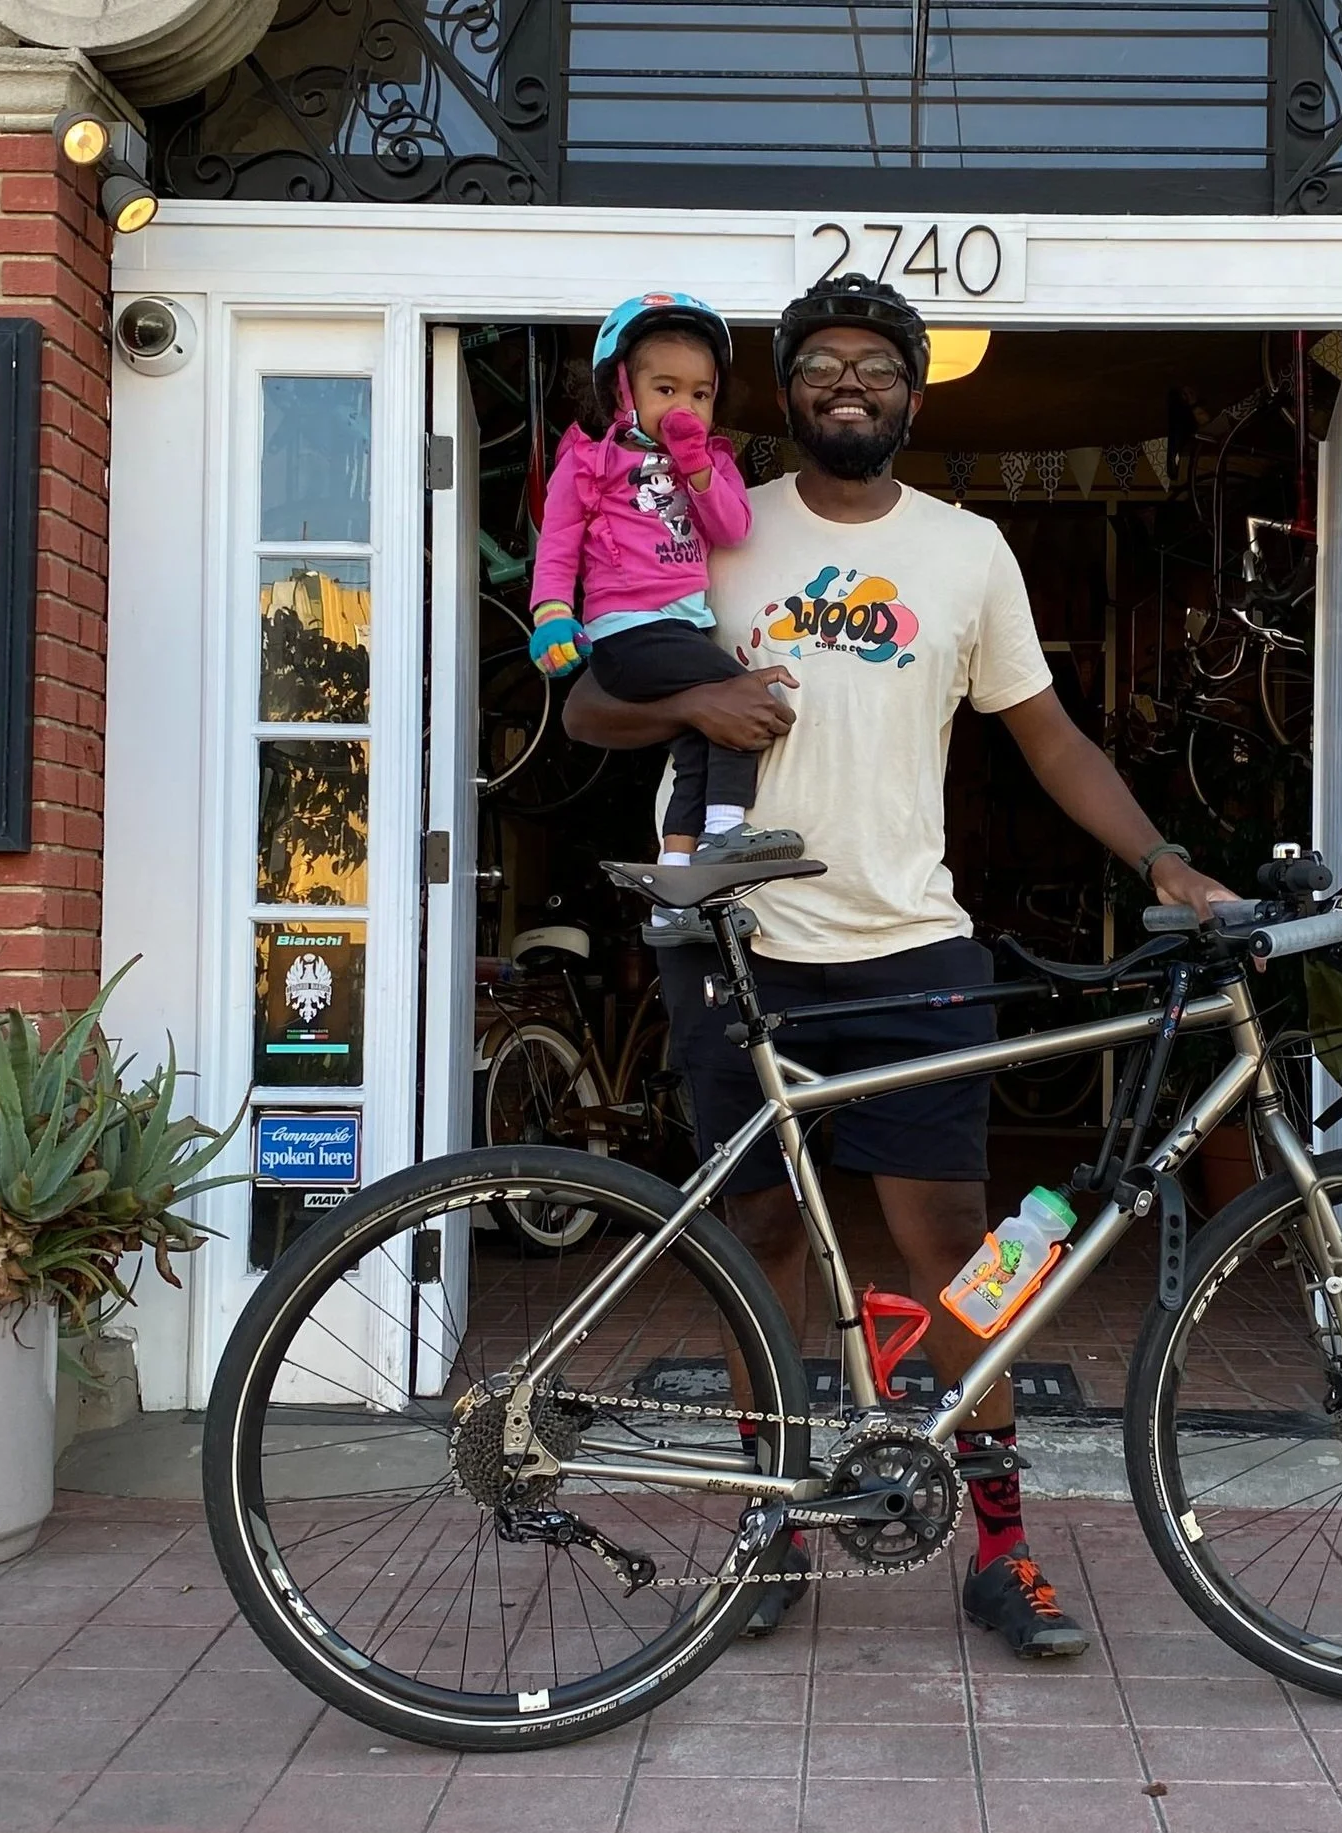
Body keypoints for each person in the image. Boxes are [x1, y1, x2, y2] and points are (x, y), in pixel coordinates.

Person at [564, 273, 1233, 1660]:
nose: (847, 383)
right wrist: (695, 695)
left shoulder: (969, 551)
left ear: (912, 396)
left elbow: (1047, 736)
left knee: (960, 1256)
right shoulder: (711, 522)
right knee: (757, 1248)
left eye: (874, 364)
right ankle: (772, 1532)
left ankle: (999, 1548)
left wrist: (1159, 856)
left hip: (910, 947)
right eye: (819, 365)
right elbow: (588, 697)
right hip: (737, 946)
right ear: (787, 393)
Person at [528, 290, 801, 912]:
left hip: (681, 631)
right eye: (666, 389)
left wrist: (698, 469)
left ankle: (674, 883)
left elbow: (732, 528)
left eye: (700, 394)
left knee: (697, 740)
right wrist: (550, 615)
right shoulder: (589, 462)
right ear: (623, 391)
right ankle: (727, 834)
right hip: (627, 631)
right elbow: (558, 547)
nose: (685, 406)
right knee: (743, 695)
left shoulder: (714, 464)